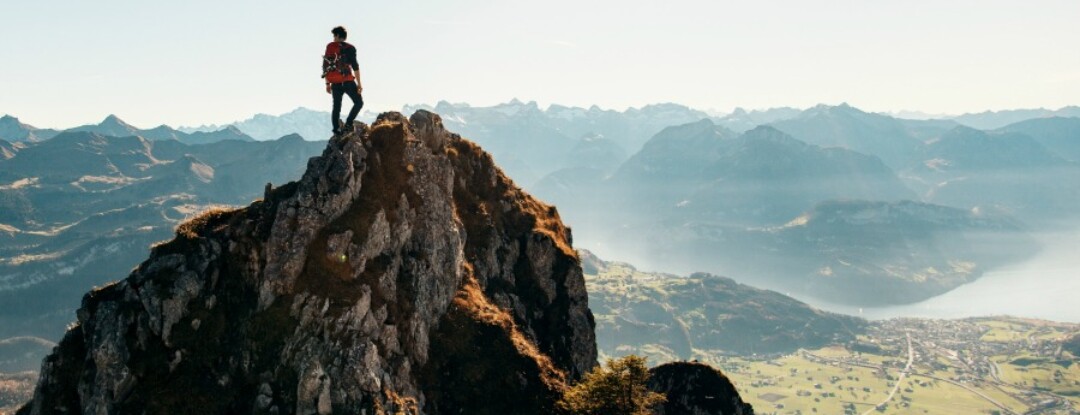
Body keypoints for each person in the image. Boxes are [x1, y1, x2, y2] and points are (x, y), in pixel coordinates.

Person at [322, 26, 364, 135]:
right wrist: (359, 84)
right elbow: (355, 66)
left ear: (337, 35)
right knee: (359, 103)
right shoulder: (350, 48)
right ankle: (348, 124)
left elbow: (325, 66)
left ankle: (336, 130)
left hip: (335, 83)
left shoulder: (330, 47)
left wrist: (327, 83)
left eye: (334, 36)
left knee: (336, 107)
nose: (333, 38)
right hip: (347, 81)